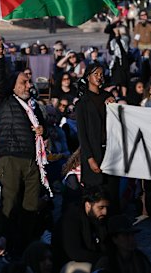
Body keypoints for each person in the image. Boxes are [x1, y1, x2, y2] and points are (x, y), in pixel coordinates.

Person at [0, 42, 49, 258]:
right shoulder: (4, 101)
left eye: (28, 82)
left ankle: (23, 247)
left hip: (31, 161)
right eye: (23, 82)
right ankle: (5, 247)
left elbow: (46, 132)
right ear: (13, 86)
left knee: (30, 206)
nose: (28, 86)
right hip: (10, 158)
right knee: (10, 205)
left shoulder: (33, 107)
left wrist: (44, 129)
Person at [76, 63, 119, 212]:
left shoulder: (108, 98)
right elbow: (82, 134)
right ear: (88, 77)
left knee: (111, 193)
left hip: (110, 151)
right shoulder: (82, 103)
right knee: (94, 196)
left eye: (101, 74)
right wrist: (90, 158)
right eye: (96, 74)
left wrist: (115, 106)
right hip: (93, 152)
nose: (99, 77)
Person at [52, 185, 111, 273]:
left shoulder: (98, 218)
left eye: (106, 207)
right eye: (100, 207)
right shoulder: (71, 218)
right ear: (88, 205)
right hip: (69, 264)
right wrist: (101, 258)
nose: (105, 212)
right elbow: (74, 252)